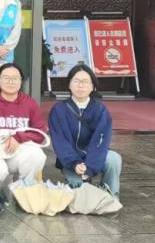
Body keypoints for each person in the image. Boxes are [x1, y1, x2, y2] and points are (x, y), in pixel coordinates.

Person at [49, 64, 121, 196]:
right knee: (78, 192)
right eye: (76, 81)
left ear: (93, 86)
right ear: (69, 84)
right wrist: (74, 163)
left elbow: (101, 142)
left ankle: (111, 194)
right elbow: (60, 142)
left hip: (94, 157)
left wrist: (90, 167)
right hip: (70, 160)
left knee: (114, 159)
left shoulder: (100, 111)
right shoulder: (59, 110)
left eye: (85, 81)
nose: (80, 85)